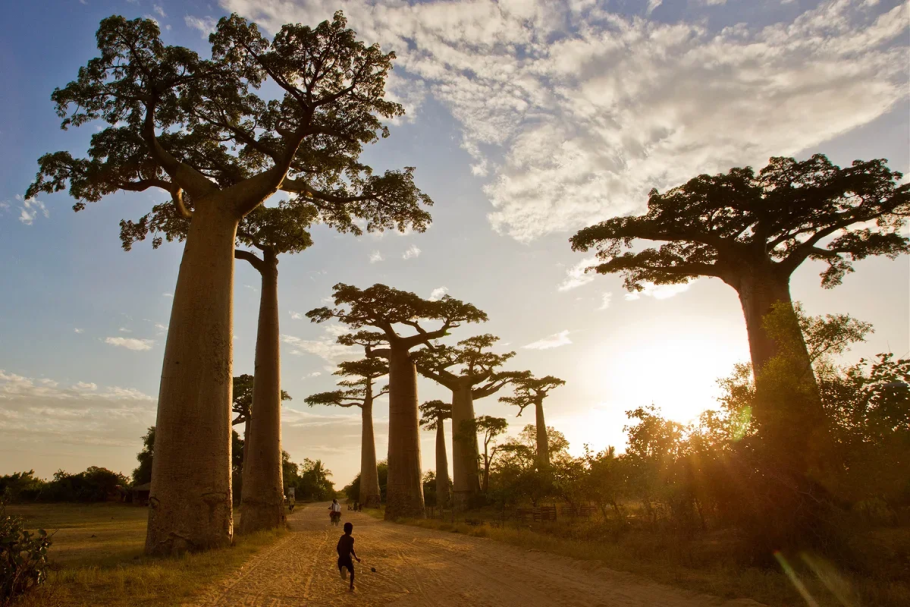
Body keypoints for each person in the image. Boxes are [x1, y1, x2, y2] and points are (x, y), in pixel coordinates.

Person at [337, 521, 360, 591]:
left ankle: (342, 569)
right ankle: (351, 586)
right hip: (347, 558)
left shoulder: (342, 537)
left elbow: (337, 547)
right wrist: (356, 557)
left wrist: (340, 554)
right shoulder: (351, 539)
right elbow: (351, 549)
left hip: (340, 559)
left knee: (342, 565)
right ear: (351, 530)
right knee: (352, 571)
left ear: (344, 529)